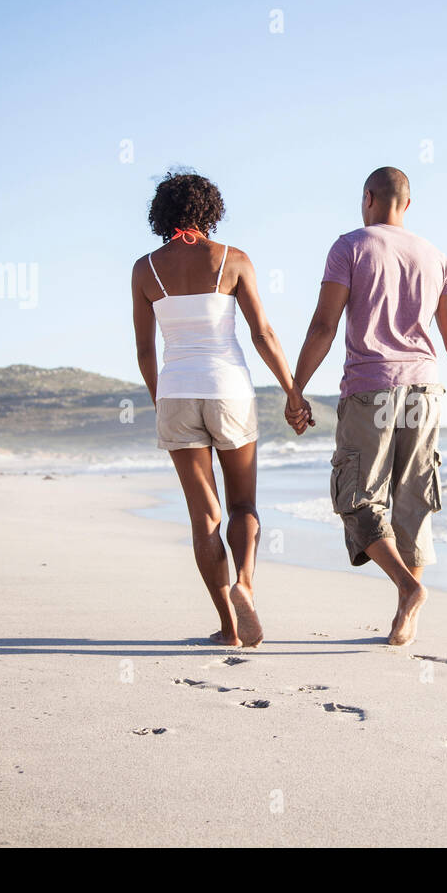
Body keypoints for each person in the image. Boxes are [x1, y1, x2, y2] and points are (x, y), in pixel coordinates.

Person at [288, 167, 447, 647]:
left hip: (370, 389)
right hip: (426, 389)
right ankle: (407, 617)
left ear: (368, 198)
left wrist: (296, 388)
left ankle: (407, 586)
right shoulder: (436, 256)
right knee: (413, 499)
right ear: (407, 204)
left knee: (356, 496)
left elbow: (323, 324)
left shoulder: (350, 246)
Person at [132, 170, 309, 648]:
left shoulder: (144, 269)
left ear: (162, 213)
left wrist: (160, 400)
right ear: (210, 210)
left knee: (203, 517)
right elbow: (262, 334)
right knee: (243, 505)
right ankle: (245, 584)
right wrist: (293, 391)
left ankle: (229, 629)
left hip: (176, 391)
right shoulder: (233, 259)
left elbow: (145, 353)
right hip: (228, 388)